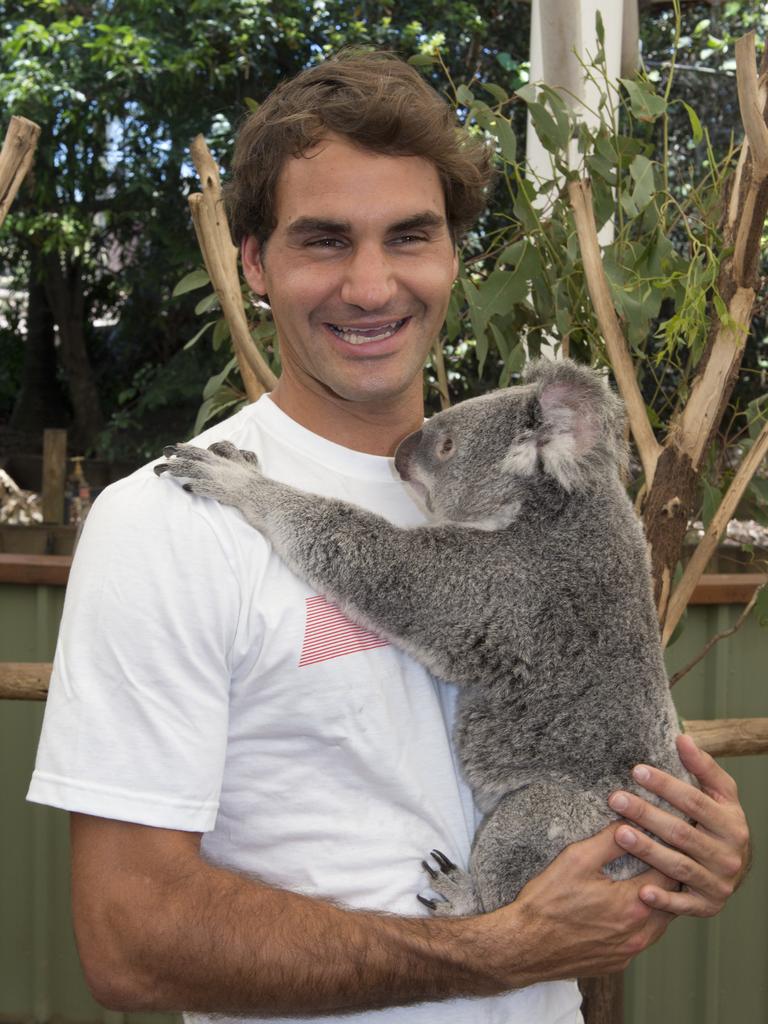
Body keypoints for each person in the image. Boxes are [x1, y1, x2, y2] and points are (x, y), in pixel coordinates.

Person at [27, 51, 750, 1024]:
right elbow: (128, 941)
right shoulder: (166, 520)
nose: (371, 285)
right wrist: (490, 950)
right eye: (324, 241)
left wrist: (684, 843)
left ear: (456, 253)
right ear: (253, 260)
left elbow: (598, 748)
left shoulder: (536, 499)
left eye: (409, 236)